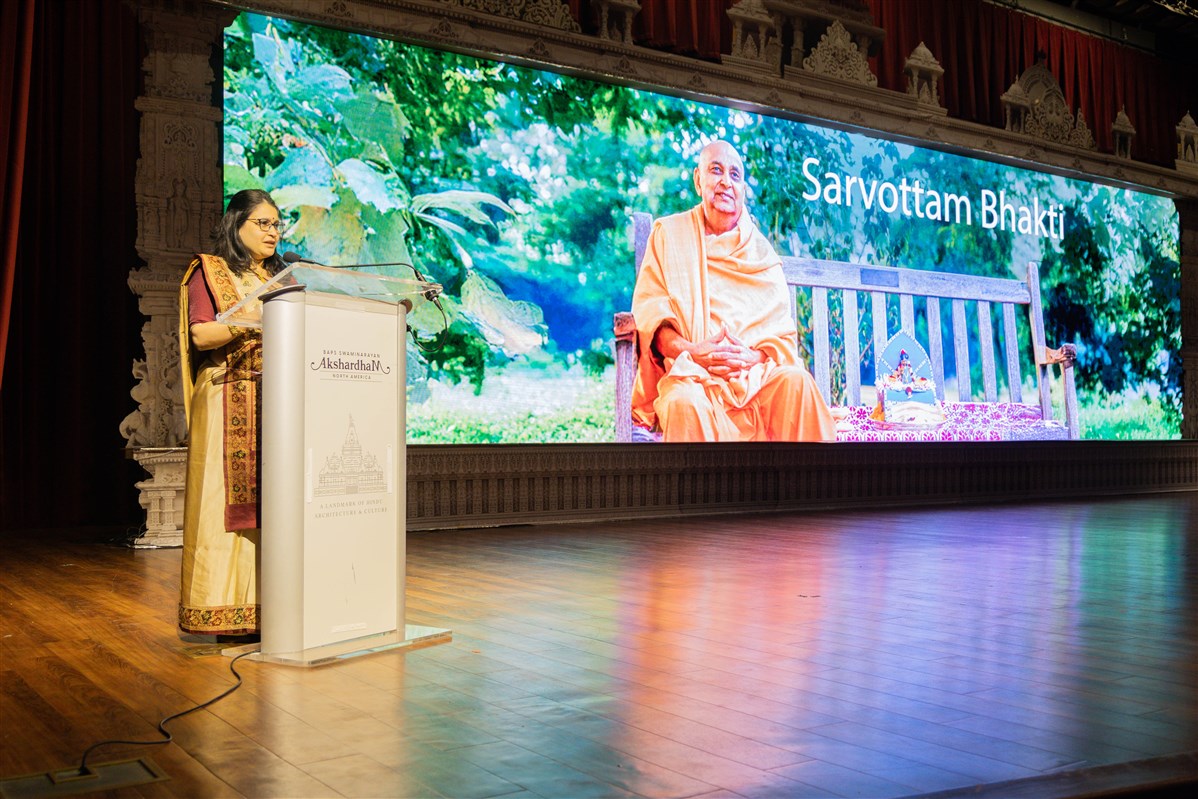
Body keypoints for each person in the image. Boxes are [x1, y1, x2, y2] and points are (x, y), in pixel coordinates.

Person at [630, 140, 834, 442]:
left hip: (756, 379)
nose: (726, 182)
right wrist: (694, 352)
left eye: (735, 175)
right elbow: (652, 319)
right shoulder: (669, 235)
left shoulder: (762, 255)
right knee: (683, 403)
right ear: (698, 180)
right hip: (693, 376)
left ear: (743, 190)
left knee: (797, 383)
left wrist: (751, 357)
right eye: (716, 170)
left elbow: (781, 341)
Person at [177, 189, 286, 641]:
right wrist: (253, 316)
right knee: (222, 507)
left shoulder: (284, 277)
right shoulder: (210, 270)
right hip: (227, 397)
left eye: (277, 224)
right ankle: (225, 613)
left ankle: (278, 609)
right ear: (236, 224)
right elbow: (202, 336)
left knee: (279, 504)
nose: (273, 232)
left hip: (281, 402)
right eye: (263, 223)